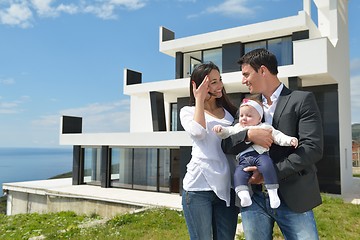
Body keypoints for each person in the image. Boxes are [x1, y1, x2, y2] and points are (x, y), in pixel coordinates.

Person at [222, 48, 323, 240]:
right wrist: (249, 135)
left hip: (293, 195)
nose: (243, 80)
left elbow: (312, 148)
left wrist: (269, 173)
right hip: (253, 199)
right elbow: (227, 144)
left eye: (246, 74)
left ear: (262, 70)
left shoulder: (301, 100)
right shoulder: (247, 107)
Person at [180, 61, 239, 240]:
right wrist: (199, 99)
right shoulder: (188, 111)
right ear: (198, 85)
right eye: (213, 82)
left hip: (226, 187)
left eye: (219, 79)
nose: (219, 85)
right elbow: (198, 132)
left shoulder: (231, 113)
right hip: (198, 188)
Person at [213, 98, 298, 209]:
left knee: (268, 166)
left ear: (259, 118)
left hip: (260, 155)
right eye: (241, 115)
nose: (244, 118)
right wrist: (220, 130)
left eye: (249, 116)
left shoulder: (264, 126)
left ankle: (273, 192)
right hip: (244, 159)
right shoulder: (238, 127)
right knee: (238, 174)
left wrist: (289, 140)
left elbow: (278, 136)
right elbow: (227, 133)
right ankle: (244, 195)